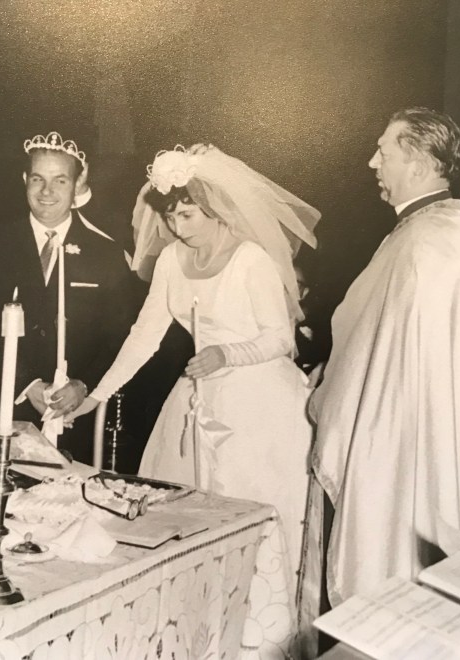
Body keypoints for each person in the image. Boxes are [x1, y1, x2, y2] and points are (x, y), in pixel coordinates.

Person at [69, 144, 320, 582]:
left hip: (259, 404)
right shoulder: (171, 259)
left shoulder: (251, 259)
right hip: (197, 394)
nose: (177, 228)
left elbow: (280, 338)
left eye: (187, 215)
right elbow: (145, 334)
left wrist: (227, 353)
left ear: (216, 209)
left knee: (248, 514)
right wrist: (97, 395)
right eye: (170, 217)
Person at [308, 107, 460, 610]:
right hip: (421, 432)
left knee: (386, 562)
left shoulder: (426, 240)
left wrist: (330, 387)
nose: (373, 163)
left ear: (419, 163)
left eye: (383, 152)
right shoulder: (443, 229)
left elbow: (378, 348)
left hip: (401, 440)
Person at [0, 131, 135, 465]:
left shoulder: (107, 253)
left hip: (74, 413)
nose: (46, 191)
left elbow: (117, 334)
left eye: (60, 180)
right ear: (24, 180)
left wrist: (84, 385)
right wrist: (28, 385)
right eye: (37, 179)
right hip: (3, 406)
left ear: (78, 183)